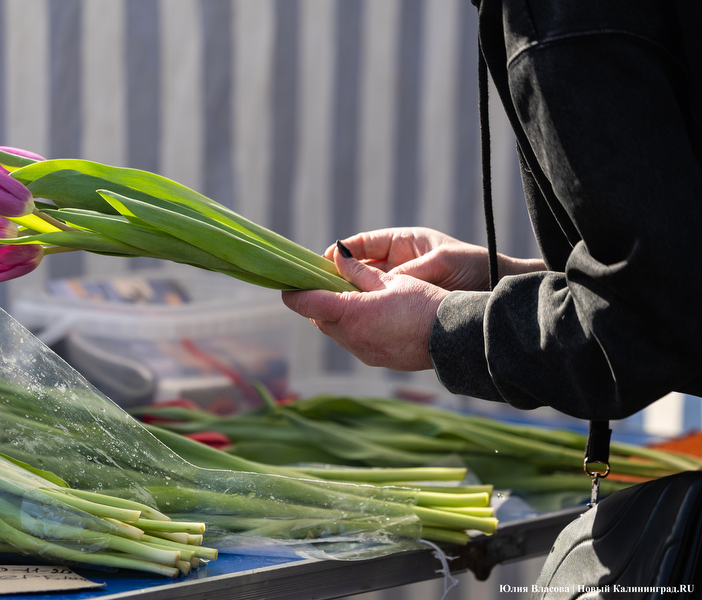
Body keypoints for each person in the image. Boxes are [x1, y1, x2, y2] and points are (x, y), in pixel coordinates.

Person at [282, 0, 702, 422]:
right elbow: (675, 275)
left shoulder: (562, 22)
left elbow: (644, 326)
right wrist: (496, 280)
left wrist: (440, 328)